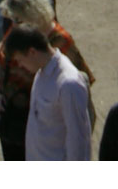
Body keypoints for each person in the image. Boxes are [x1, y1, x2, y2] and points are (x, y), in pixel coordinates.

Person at [24, 26, 94, 161]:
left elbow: (78, 140)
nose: (21, 66)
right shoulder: (41, 73)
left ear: (32, 52)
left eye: (21, 60)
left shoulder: (69, 84)